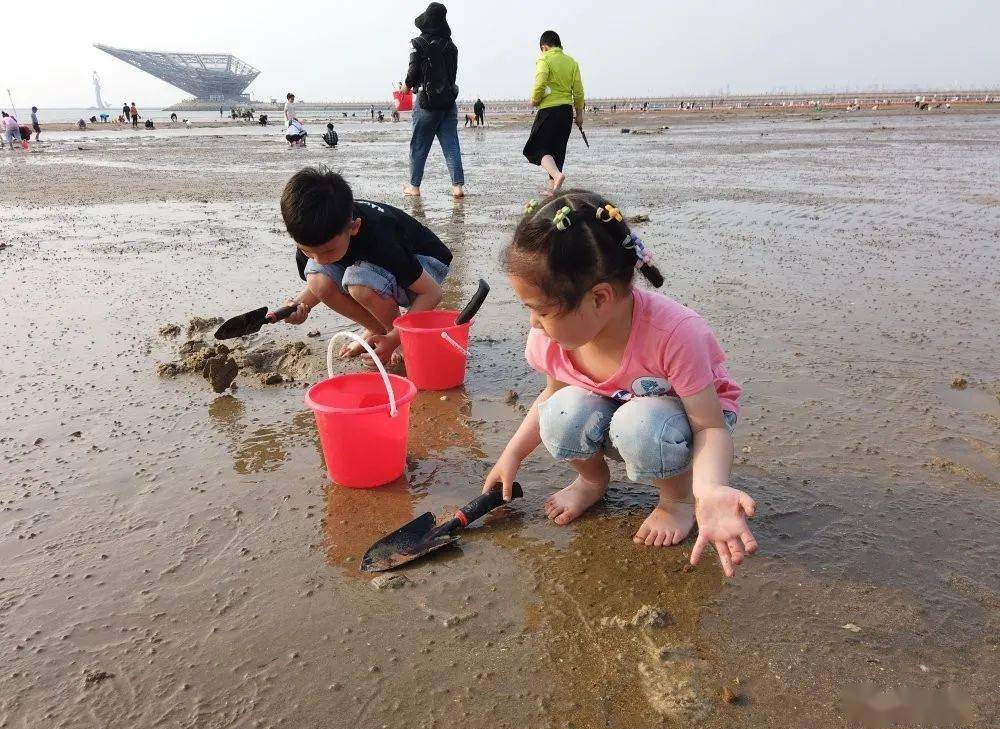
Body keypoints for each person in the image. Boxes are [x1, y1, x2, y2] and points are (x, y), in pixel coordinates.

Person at [483, 190, 756, 578]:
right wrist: (511, 456)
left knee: (640, 425)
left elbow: (709, 425)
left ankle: (675, 498)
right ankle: (592, 480)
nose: (533, 325)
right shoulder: (553, 339)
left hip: (684, 425)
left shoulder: (675, 334)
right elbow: (552, 394)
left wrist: (708, 489)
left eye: (542, 311)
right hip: (619, 413)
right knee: (560, 413)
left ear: (599, 298)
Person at [277, 167, 452, 367]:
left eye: (328, 252)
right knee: (317, 278)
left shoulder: (382, 239)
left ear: (354, 227)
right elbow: (320, 287)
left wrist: (395, 338)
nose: (320, 259)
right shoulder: (312, 235)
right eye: (308, 251)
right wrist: (299, 306)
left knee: (359, 283)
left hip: (425, 263)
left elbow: (432, 293)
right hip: (373, 266)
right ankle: (378, 331)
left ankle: (394, 337)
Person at [403, 2, 465, 199]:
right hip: (448, 102)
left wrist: (405, 87)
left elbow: (413, 72)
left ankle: (414, 187)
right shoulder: (452, 46)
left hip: (426, 104)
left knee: (419, 145)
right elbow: (452, 76)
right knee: (451, 144)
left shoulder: (417, 43)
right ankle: (457, 188)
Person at [523, 30, 584, 192]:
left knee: (535, 149)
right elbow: (578, 91)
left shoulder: (545, 58)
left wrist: (535, 99)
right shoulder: (572, 62)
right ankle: (553, 191)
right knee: (558, 151)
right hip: (566, 112)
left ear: (544, 47)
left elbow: (540, 81)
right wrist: (580, 115)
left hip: (549, 110)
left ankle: (556, 176)